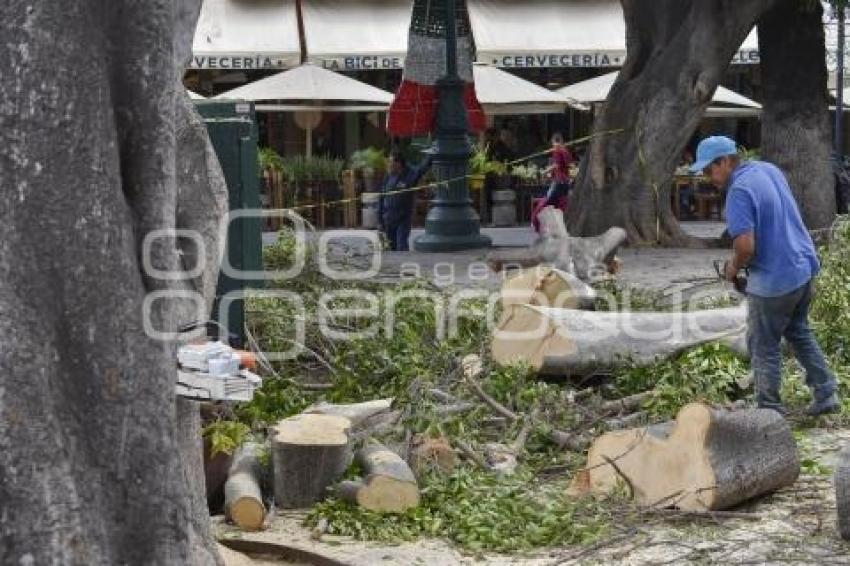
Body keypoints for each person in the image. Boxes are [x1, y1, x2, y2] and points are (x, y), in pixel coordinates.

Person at [690, 135, 839, 416]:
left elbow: (745, 246)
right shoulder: (767, 169)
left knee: (763, 344)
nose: (709, 177)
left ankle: (769, 409)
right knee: (799, 332)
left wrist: (732, 268)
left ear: (725, 161)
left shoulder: (739, 191)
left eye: (710, 170)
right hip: (803, 267)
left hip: (776, 280)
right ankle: (826, 392)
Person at [378, 150, 433, 251]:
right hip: (388, 219)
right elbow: (381, 198)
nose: (388, 164)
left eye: (391, 162)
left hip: (402, 220)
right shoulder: (388, 176)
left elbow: (422, 169)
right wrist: (379, 221)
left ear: (398, 163)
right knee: (390, 248)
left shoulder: (410, 175)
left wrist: (431, 155)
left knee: (401, 247)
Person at [531, 133, 573, 232]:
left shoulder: (557, 151)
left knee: (546, 203)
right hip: (565, 182)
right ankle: (560, 225)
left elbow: (556, 165)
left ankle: (536, 223)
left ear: (555, 142)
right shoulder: (566, 151)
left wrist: (545, 171)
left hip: (558, 181)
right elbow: (569, 165)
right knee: (561, 204)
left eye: (553, 144)